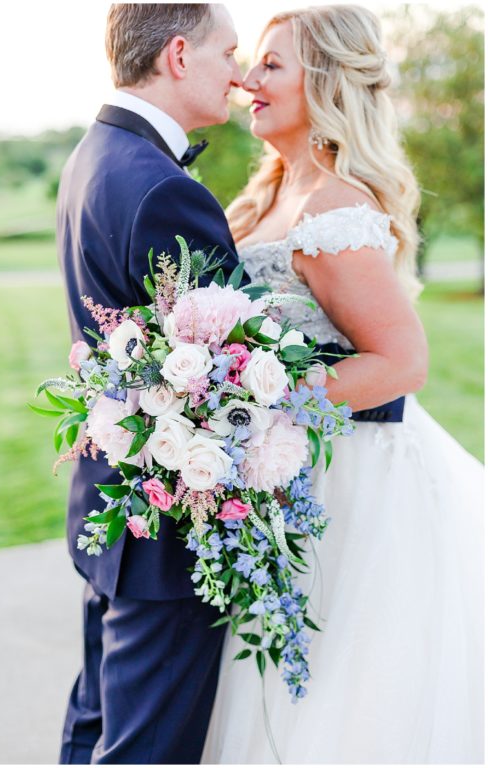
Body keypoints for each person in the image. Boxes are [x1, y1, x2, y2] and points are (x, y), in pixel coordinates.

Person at [201, 6, 484, 762]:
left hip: (351, 482)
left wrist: (253, 406)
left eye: (270, 66)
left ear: (322, 81)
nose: (245, 80)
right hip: (283, 478)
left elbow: (400, 362)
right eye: (250, 64)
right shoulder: (259, 200)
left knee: (340, 698)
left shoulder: (336, 208)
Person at [56, 4, 245, 763]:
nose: (238, 72)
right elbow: (228, 370)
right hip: (163, 531)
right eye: (228, 52)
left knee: (96, 729)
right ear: (177, 54)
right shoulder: (160, 186)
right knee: (145, 751)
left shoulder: (94, 155)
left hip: (112, 508)